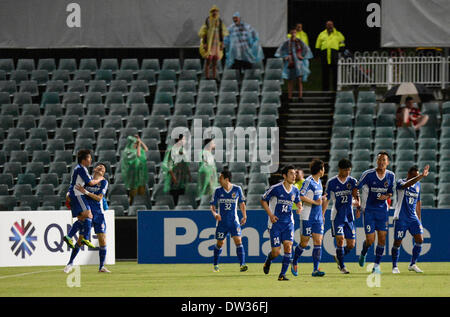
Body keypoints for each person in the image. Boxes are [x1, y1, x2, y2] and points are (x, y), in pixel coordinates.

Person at [64, 163, 111, 273]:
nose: (101, 168)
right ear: (95, 169)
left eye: (103, 168)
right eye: (99, 166)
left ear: (103, 173)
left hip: (98, 214)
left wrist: (85, 192)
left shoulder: (103, 182)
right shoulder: (86, 180)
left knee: (102, 240)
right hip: (87, 212)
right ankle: (70, 263)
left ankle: (101, 267)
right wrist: (68, 194)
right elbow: (74, 189)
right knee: (80, 240)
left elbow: (99, 198)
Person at [261, 165, 303, 281]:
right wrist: (271, 215)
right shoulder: (276, 188)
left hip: (288, 223)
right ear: (284, 176)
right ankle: (269, 260)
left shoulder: (295, 190)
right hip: (275, 223)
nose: (294, 176)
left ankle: (282, 275)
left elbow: (298, 202)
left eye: (295, 173)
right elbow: (263, 199)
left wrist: (300, 208)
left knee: (288, 246)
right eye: (291, 173)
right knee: (276, 252)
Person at [356, 151, 395, 274]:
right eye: (379, 160)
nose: (381, 162)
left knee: (382, 239)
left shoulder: (391, 175)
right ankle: (364, 252)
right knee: (370, 240)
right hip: (369, 211)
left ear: (388, 162)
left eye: (384, 160)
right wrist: (358, 205)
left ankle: (376, 265)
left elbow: (390, 192)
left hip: (382, 211)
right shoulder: (368, 174)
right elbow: (356, 188)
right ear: (376, 161)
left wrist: (387, 196)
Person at [322, 158, 359, 274]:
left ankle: (338, 256)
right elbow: (327, 199)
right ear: (339, 170)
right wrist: (322, 214)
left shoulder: (352, 181)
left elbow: (357, 198)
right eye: (345, 170)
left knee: (351, 244)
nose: (347, 173)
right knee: (340, 239)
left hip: (349, 216)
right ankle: (342, 267)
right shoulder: (332, 182)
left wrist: (358, 206)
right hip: (337, 215)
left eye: (349, 170)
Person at [291, 159, 327, 277]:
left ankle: (316, 269)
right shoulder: (308, 181)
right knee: (304, 242)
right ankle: (294, 261)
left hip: (317, 217)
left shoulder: (319, 182)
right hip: (307, 216)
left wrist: (321, 207)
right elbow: (300, 195)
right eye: (323, 168)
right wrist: (315, 202)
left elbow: (317, 198)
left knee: (318, 242)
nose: (324, 170)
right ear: (320, 170)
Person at [392, 165, 429, 274]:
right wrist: (421, 176)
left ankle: (412, 264)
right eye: (414, 176)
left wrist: (419, 219)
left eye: (416, 176)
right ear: (409, 175)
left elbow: (418, 202)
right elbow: (408, 184)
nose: (415, 179)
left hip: (413, 218)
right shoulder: (400, 182)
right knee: (397, 242)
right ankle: (395, 266)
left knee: (420, 239)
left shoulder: (418, 185)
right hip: (401, 217)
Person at [63, 150, 104, 250]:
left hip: (75, 194)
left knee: (82, 219)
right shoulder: (81, 169)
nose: (91, 160)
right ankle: (85, 238)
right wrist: (100, 179)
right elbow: (90, 183)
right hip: (77, 195)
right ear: (84, 160)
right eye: (89, 158)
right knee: (89, 215)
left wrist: (68, 192)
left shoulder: (80, 169)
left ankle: (69, 237)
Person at [210, 170, 248, 272]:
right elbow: (212, 206)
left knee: (238, 241)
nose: (219, 179)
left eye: (220, 178)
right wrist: (215, 214)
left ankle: (242, 264)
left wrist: (244, 216)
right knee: (220, 243)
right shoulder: (218, 191)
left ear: (226, 179)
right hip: (222, 222)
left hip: (233, 221)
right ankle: (215, 265)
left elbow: (242, 204)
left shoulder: (237, 189)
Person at [275, 26, 313, 100]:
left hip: (298, 63)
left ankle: (300, 96)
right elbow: (281, 51)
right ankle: (290, 96)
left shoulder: (299, 41)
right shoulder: (287, 42)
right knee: (290, 79)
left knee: (299, 79)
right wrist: (285, 56)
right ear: (290, 33)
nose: (293, 34)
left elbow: (306, 49)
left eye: (295, 32)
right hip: (291, 62)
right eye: (292, 32)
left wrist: (302, 56)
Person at [198, 5, 229, 80]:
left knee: (215, 62)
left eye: (216, 11)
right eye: (213, 11)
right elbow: (204, 33)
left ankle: (214, 76)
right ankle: (207, 76)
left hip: (217, 45)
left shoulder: (220, 21)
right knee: (208, 61)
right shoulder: (208, 21)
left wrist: (222, 43)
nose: (214, 13)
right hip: (209, 44)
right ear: (211, 12)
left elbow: (222, 33)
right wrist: (205, 43)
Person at [161, 134, 192, 205]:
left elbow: (186, 163)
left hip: (182, 177)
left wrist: (189, 174)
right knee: (174, 195)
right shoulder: (171, 150)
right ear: (179, 140)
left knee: (182, 194)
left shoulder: (183, 150)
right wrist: (173, 177)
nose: (185, 141)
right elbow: (168, 164)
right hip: (174, 176)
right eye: (183, 139)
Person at [315, 20, 345, 91]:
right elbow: (317, 45)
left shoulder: (338, 34)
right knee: (325, 74)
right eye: (328, 25)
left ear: (333, 25)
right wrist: (317, 54)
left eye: (331, 24)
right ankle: (325, 90)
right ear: (326, 26)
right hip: (324, 56)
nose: (329, 26)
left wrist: (341, 49)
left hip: (334, 56)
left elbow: (342, 44)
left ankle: (335, 89)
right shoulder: (321, 34)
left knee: (335, 74)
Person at [121, 135, 149, 205]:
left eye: (136, 143)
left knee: (142, 192)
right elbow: (138, 155)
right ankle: (131, 206)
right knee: (133, 193)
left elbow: (146, 149)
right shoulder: (128, 151)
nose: (136, 145)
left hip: (140, 173)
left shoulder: (137, 149)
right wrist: (139, 145)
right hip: (133, 175)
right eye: (135, 143)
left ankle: (141, 205)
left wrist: (140, 141)